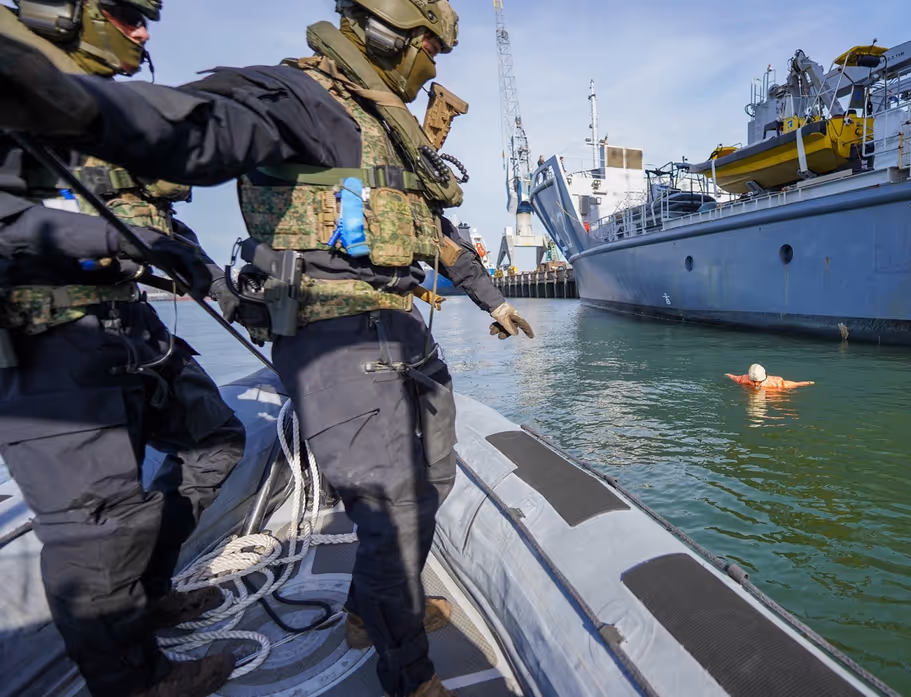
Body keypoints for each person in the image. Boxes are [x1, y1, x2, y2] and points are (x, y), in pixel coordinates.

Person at [0, 1, 531, 694]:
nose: (141, 32)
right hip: (331, 338)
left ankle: (372, 610)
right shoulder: (295, 97)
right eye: (430, 46)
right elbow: (209, 129)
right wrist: (85, 107)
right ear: (388, 36)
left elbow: (434, 229)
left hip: (395, 327)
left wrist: (494, 299)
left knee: (425, 484)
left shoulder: (386, 130)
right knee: (388, 506)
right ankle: (406, 673)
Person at [0, 2, 248, 695]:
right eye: (125, 13)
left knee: (216, 439)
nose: (142, 33)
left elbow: (150, 220)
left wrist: (215, 283)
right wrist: (115, 243)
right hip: (44, 339)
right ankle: (136, 682)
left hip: (128, 327)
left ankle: (151, 590)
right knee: (94, 529)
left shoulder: (96, 109)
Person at [725, 363, 815, 389]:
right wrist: (727, 375)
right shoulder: (743, 379)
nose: (756, 384)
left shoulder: (776, 383)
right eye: (754, 381)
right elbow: (733, 377)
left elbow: (795, 384)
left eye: (759, 382)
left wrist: (808, 383)